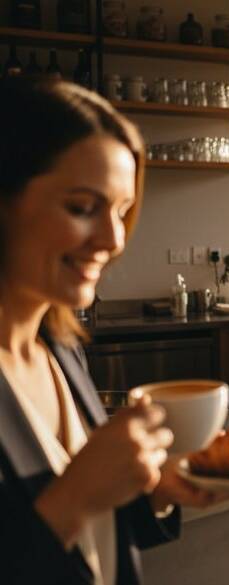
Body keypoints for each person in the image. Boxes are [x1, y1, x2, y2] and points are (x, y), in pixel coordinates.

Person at [0, 77, 215, 585]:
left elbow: (96, 531)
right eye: (81, 207)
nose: (114, 239)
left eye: (121, 211)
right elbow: (68, 507)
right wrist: (73, 499)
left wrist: (155, 493)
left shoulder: (58, 350)